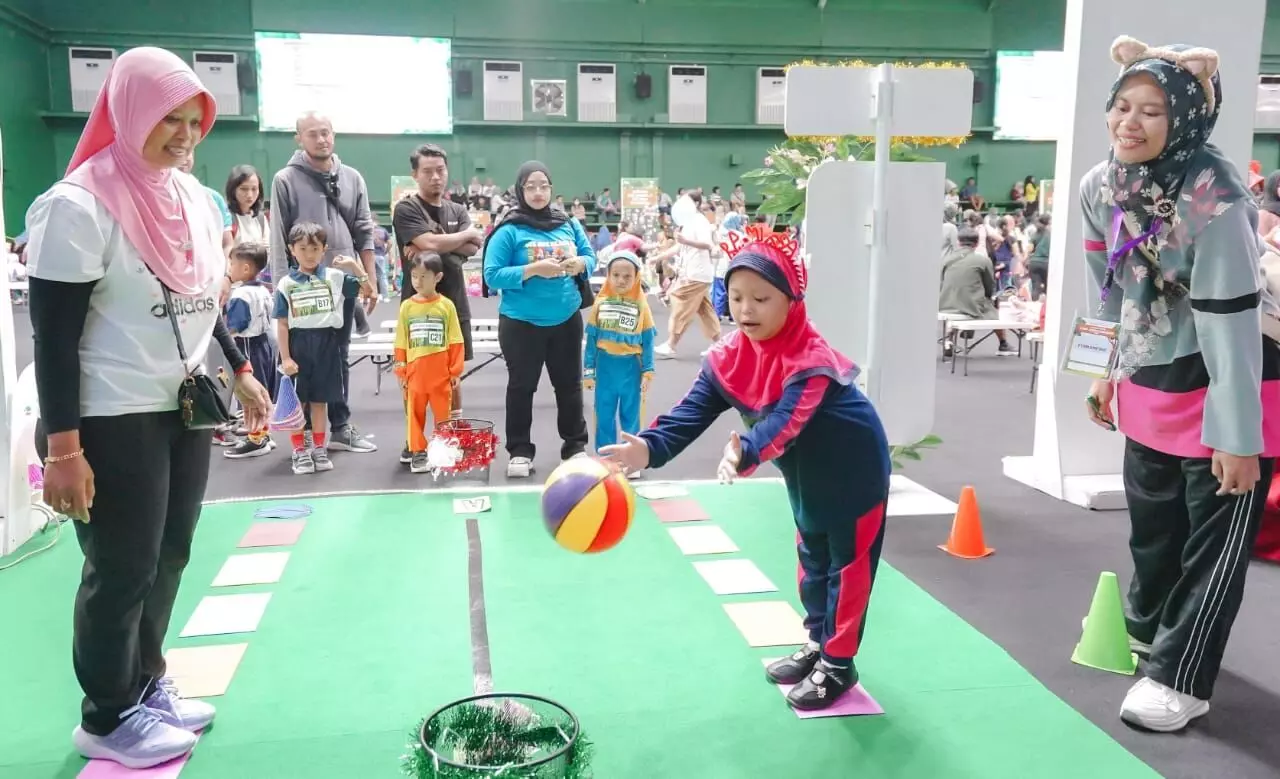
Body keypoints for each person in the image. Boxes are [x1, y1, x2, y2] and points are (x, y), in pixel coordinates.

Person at [23, 46, 272, 768]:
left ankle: (144, 683)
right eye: (168, 117)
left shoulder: (192, 196)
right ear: (127, 112)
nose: (184, 133)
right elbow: (56, 337)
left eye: (194, 119)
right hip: (108, 414)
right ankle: (105, 714)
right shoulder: (76, 206)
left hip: (182, 406)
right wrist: (63, 448)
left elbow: (200, 298)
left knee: (170, 551)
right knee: (121, 566)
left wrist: (241, 369)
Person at [600, 231, 890, 711]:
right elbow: (691, 412)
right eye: (736, 297)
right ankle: (818, 645)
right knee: (811, 556)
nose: (746, 309)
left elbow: (784, 423)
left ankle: (839, 664)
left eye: (761, 298)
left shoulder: (810, 359)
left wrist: (744, 451)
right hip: (805, 469)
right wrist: (647, 449)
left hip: (854, 464)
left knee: (848, 566)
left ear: (791, 301)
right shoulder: (729, 356)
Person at [1082, 36, 1280, 733]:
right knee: (1155, 527)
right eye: (1123, 106)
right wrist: (1101, 372)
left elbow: (1230, 318)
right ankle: (1147, 631)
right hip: (1152, 379)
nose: (1129, 123)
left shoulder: (1216, 197)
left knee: (1214, 548)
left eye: (1154, 111)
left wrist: (1237, 437)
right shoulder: (1100, 185)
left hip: (1234, 380)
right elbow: (1104, 291)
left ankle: (1182, 676)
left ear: (1188, 119)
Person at [267, 111, 378, 454]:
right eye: (313, 134)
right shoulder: (284, 179)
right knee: (301, 360)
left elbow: (364, 231)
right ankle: (302, 441)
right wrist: (284, 286)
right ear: (299, 138)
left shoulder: (353, 178)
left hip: (340, 284)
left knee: (339, 356)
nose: (322, 139)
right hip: (301, 289)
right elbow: (278, 237)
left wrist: (369, 279)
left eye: (326, 133)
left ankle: (341, 427)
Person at [482, 160, 595, 478]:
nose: (537, 192)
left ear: (551, 188)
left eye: (543, 185)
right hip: (521, 324)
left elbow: (591, 257)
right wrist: (533, 269)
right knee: (521, 387)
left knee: (569, 386)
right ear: (520, 190)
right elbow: (492, 275)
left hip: (566, 319)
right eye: (530, 186)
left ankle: (574, 447)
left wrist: (579, 263)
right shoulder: (509, 229)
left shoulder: (569, 224)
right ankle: (519, 451)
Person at [392, 143, 485, 464]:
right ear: (415, 174)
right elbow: (447, 243)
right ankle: (413, 439)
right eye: (428, 171)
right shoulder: (406, 209)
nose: (435, 177)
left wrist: (432, 247)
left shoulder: (457, 210)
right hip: (416, 307)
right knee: (413, 379)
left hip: (454, 305)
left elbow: (474, 247)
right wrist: (455, 240)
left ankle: (450, 436)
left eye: (440, 170)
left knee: (453, 375)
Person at [275, 223, 375, 475]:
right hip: (299, 346)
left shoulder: (335, 278)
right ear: (292, 250)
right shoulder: (285, 284)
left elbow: (367, 290)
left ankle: (319, 448)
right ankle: (300, 451)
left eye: (315, 248)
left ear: (324, 249)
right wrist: (286, 357)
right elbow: (283, 324)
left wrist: (353, 266)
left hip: (328, 345)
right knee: (299, 404)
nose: (309, 254)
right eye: (303, 248)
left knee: (320, 402)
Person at [583, 250, 656, 462]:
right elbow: (592, 342)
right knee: (603, 415)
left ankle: (630, 458)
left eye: (627, 276)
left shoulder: (642, 306)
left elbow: (648, 341)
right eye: (615, 275)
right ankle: (605, 456)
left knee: (630, 415)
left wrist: (648, 371)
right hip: (605, 367)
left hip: (631, 368)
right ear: (608, 276)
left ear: (636, 278)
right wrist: (589, 371)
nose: (621, 280)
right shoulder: (600, 303)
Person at [395, 252, 464, 473]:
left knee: (442, 414)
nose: (418, 281)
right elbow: (401, 339)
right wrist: (401, 368)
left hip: (441, 373)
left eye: (424, 276)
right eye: (414, 276)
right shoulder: (407, 306)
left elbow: (455, 338)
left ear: (438, 277)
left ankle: (442, 448)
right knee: (414, 414)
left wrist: (455, 371)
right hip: (415, 373)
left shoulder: (447, 306)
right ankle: (418, 452)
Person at [223, 241, 277, 458]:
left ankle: (257, 438)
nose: (230, 268)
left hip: (246, 345)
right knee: (259, 391)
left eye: (232, 263)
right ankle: (261, 432)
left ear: (245, 268)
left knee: (250, 393)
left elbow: (236, 325)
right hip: (264, 343)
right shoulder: (264, 290)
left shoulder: (240, 295)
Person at [655, 201, 722, 359]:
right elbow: (679, 247)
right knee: (705, 310)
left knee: (680, 300)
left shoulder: (699, 222)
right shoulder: (690, 223)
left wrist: (686, 241)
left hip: (697, 273)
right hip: (696, 273)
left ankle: (671, 343)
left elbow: (707, 244)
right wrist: (658, 257)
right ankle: (719, 344)